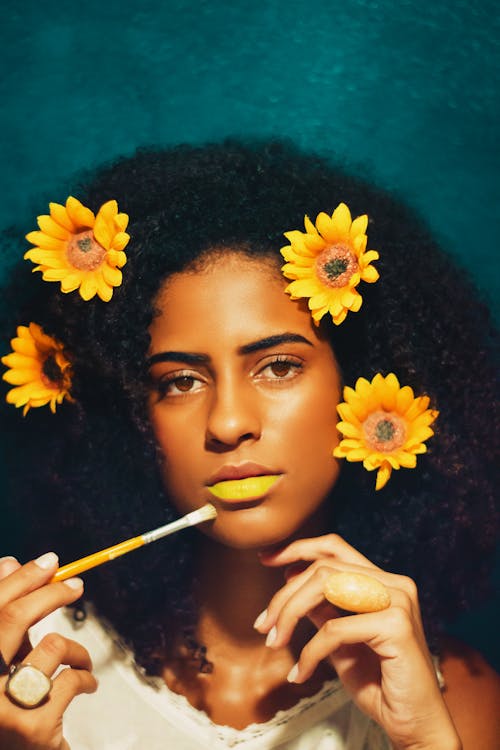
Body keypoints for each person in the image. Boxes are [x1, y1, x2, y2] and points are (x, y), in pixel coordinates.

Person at [0, 140, 498, 750]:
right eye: (180, 381)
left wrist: (423, 740)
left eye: (279, 367)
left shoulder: (451, 702)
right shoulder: (24, 670)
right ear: (127, 417)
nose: (229, 422)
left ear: (368, 379)